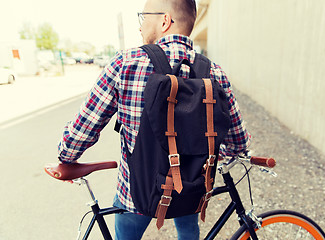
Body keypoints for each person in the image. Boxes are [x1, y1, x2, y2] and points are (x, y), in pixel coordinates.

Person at [57, 0, 251, 239]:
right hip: (190, 186)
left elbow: (85, 127)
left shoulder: (126, 63)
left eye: (143, 16)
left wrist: (66, 158)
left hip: (137, 192)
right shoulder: (215, 73)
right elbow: (239, 142)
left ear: (164, 20)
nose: (140, 26)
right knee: (188, 228)